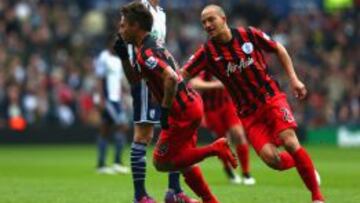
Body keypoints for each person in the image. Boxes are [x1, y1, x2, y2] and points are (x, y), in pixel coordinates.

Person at [181, 4, 324, 203]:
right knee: (272, 160)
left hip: (271, 98)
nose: (207, 25)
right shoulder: (206, 53)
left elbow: (278, 49)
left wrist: (294, 79)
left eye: (211, 19)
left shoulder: (249, 35)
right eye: (204, 22)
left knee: (290, 141)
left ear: (223, 19)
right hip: (248, 114)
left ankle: (317, 197)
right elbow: (182, 76)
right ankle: (302, 164)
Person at [115, 2, 238, 203]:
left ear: (135, 26)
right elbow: (140, 78)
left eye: (123, 25)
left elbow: (171, 77)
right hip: (190, 103)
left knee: (162, 162)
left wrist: (165, 108)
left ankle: (215, 149)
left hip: (182, 110)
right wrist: (123, 58)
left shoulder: (146, 51)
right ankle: (208, 200)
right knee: (183, 159)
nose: (120, 30)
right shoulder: (150, 45)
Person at [124, 0, 200, 202]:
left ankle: (174, 191)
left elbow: (159, 46)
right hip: (145, 78)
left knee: (176, 130)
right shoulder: (139, 7)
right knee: (143, 134)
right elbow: (127, 35)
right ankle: (140, 195)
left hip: (162, 79)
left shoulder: (161, 13)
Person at [190, 72, 255, 185]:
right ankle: (228, 169)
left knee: (239, 134)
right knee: (223, 142)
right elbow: (194, 83)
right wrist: (217, 85)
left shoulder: (226, 62)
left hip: (228, 105)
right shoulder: (206, 66)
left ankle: (246, 173)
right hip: (211, 110)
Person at [94, 35, 130, 174]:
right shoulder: (103, 57)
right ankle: (117, 162)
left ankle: (101, 164)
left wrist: (125, 93)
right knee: (122, 126)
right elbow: (99, 79)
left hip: (116, 99)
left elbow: (119, 81)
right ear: (110, 44)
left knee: (105, 128)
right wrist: (100, 98)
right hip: (108, 99)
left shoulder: (118, 59)